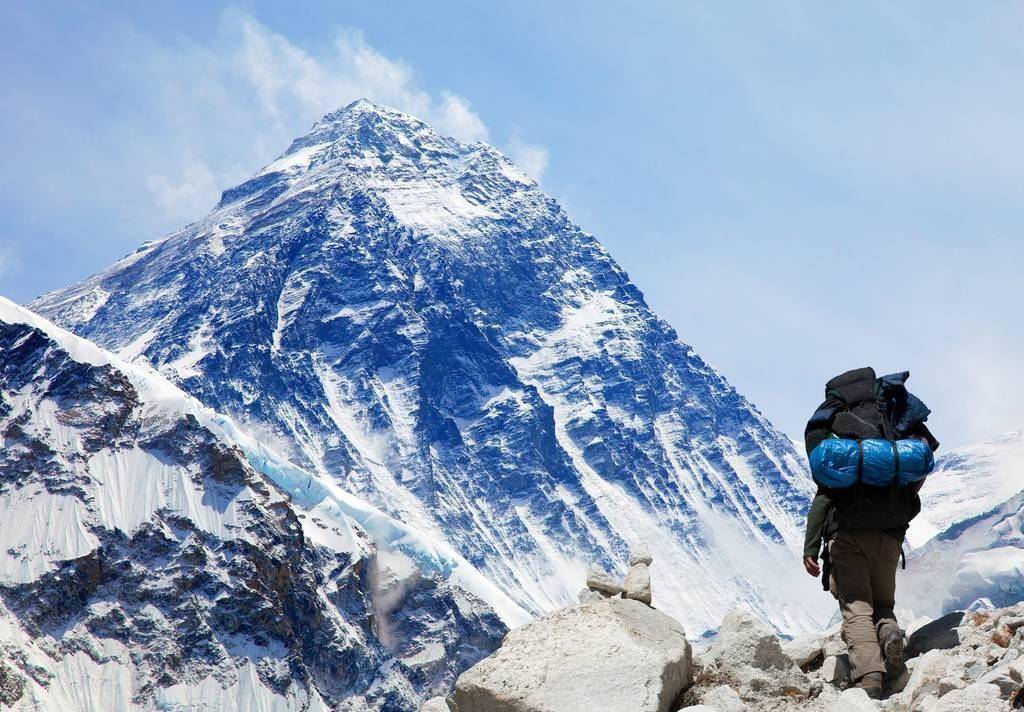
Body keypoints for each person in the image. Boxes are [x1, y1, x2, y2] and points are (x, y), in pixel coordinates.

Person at [801, 367, 939, 699]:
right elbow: (915, 483)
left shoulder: (840, 443)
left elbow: (824, 497)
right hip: (889, 536)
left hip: (847, 536)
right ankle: (890, 633)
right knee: (882, 603)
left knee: (856, 606)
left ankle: (870, 679)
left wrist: (811, 545)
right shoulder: (891, 431)